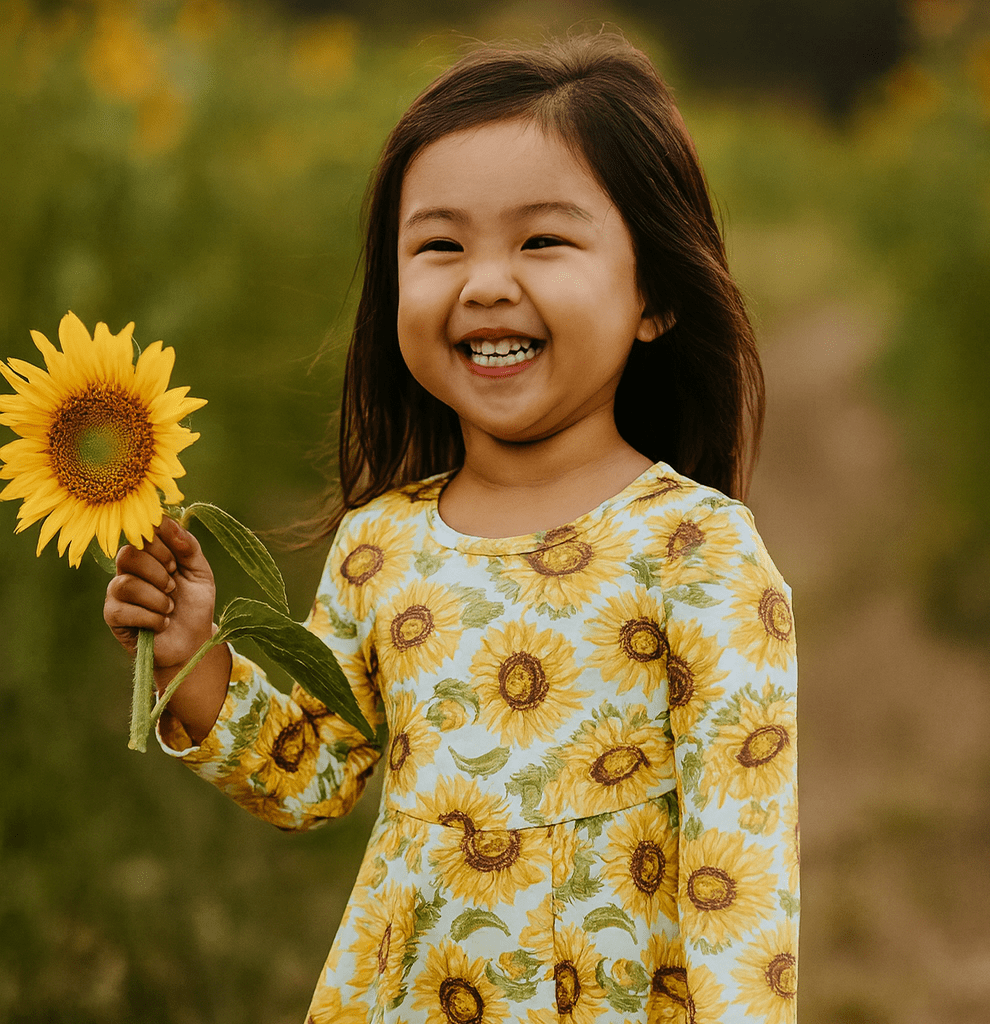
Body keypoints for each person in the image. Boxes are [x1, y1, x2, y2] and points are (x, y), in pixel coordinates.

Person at [104, 32, 799, 1024]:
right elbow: (310, 773)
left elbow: (743, 870)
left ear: (653, 297)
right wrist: (190, 657)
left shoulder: (700, 550)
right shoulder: (382, 544)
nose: (483, 283)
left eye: (540, 241)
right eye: (440, 245)